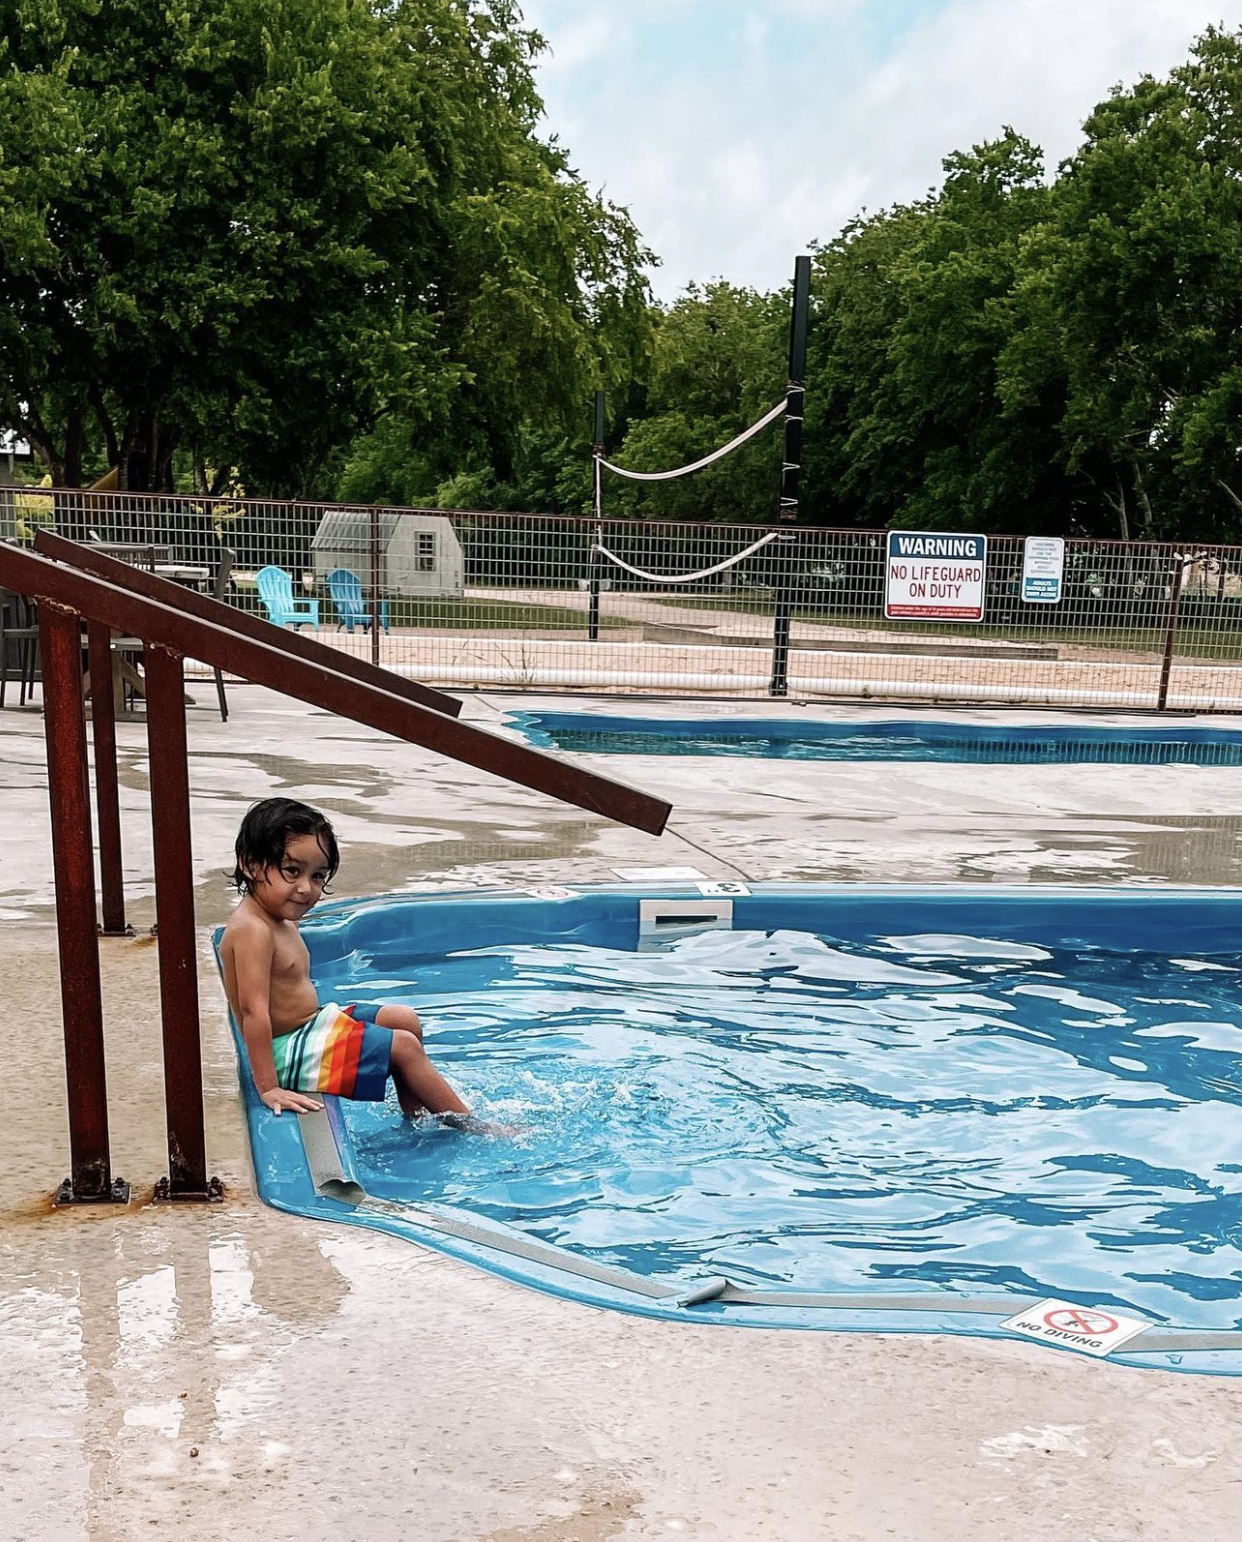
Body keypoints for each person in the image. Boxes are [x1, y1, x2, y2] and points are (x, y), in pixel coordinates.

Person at [220, 796, 471, 1122]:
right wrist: (268, 1088)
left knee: (405, 1019)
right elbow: (253, 1012)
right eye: (292, 871)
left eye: (317, 876)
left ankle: (418, 1114)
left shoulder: (279, 917)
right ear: (250, 864)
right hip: (284, 1052)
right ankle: (473, 1125)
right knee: (404, 1047)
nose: (305, 888)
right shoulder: (252, 930)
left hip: (309, 1026)